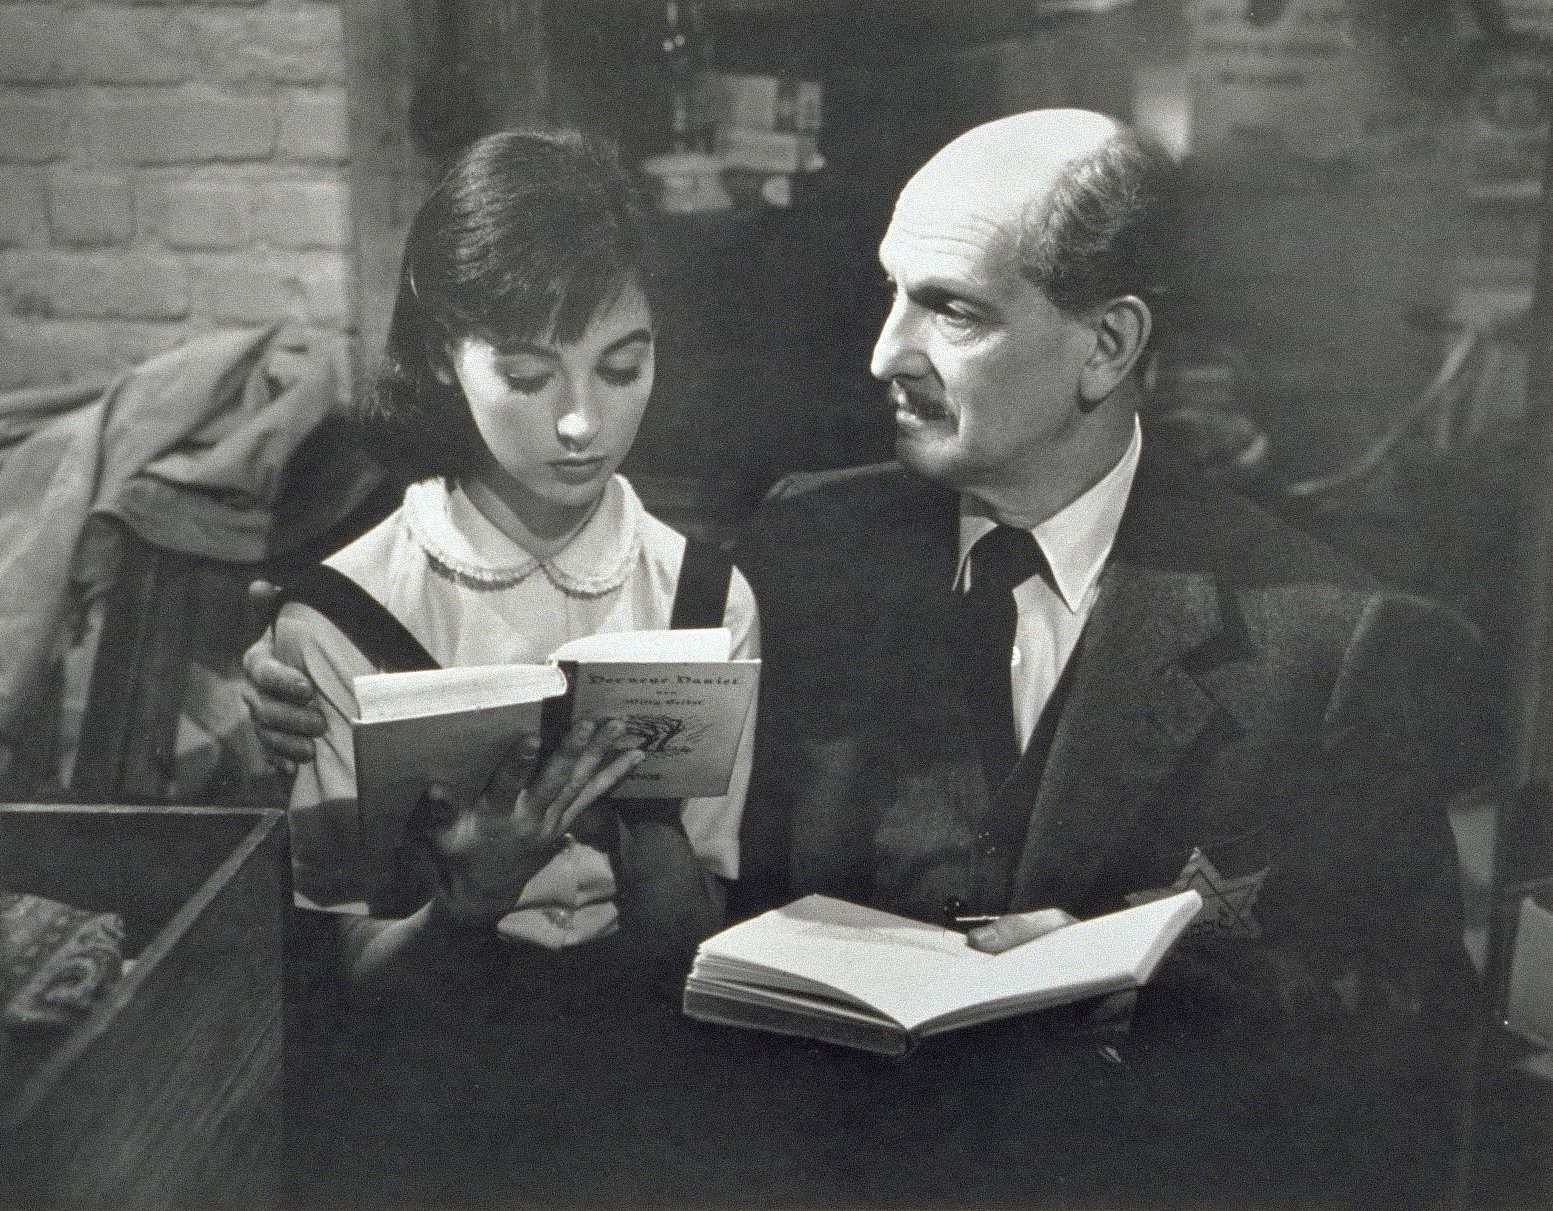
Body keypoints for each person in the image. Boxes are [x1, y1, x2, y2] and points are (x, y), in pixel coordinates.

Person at [251, 108, 1485, 1205]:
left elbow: (1407, 1038)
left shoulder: (1327, 639)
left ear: (1107, 346)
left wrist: (1149, 983)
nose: (884, 351)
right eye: (891, 294)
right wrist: (289, 703)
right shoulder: (804, 548)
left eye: (951, 309)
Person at [266, 129, 758, 986]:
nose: (581, 422)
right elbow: (340, 975)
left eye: (621, 368)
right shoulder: (337, 618)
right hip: (435, 1047)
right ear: (442, 357)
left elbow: (702, 930)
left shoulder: (710, 600)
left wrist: (642, 835)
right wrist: (463, 907)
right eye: (529, 377)